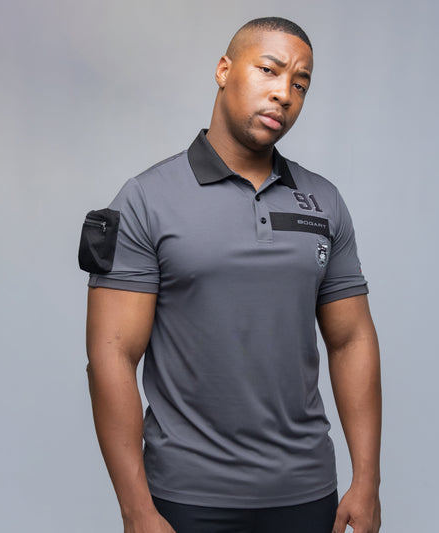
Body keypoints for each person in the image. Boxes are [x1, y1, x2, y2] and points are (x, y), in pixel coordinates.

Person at [79, 16, 382, 533]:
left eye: (300, 84)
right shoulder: (146, 199)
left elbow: (351, 339)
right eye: (269, 70)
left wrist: (367, 480)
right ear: (224, 70)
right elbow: (111, 355)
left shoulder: (324, 201)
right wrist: (136, 509)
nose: (284, 93)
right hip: (185, 497)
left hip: (307, 492)